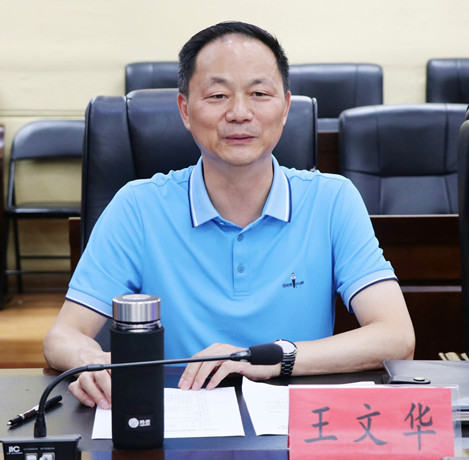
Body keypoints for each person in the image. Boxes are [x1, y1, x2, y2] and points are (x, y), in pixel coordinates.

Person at [43, 21, 415, 410]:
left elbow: (396, 337)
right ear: (185, 110)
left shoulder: (333, 199)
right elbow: (62, 336)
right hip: (175, 417)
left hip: (292, 423)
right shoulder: (137, 207)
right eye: (218, 95)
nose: (239, 113)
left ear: (285, 108)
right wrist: (92, 361)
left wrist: (270, 359)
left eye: (259, 94)